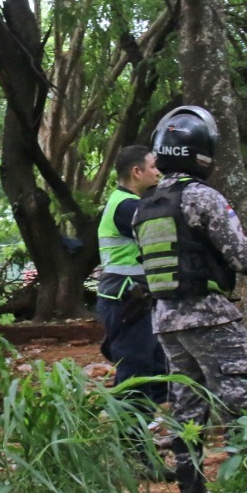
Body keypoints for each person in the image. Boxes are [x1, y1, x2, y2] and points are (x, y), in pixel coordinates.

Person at [132, 106, 247, 493]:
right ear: (201, 152)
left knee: (187, 413)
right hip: (208, 316)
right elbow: (241, 258)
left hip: (167, 322)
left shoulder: (145, 207)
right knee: (245, 404)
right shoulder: (202, 197)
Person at [96, 146, 167, 412]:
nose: (158, 172)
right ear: (137, 172)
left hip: (134, 298)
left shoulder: (127, 203)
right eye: (152, 167)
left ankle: (153, 424)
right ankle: (131, 437)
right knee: (135, 368)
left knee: (157, 364)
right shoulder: (127, 207)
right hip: (126, 300)